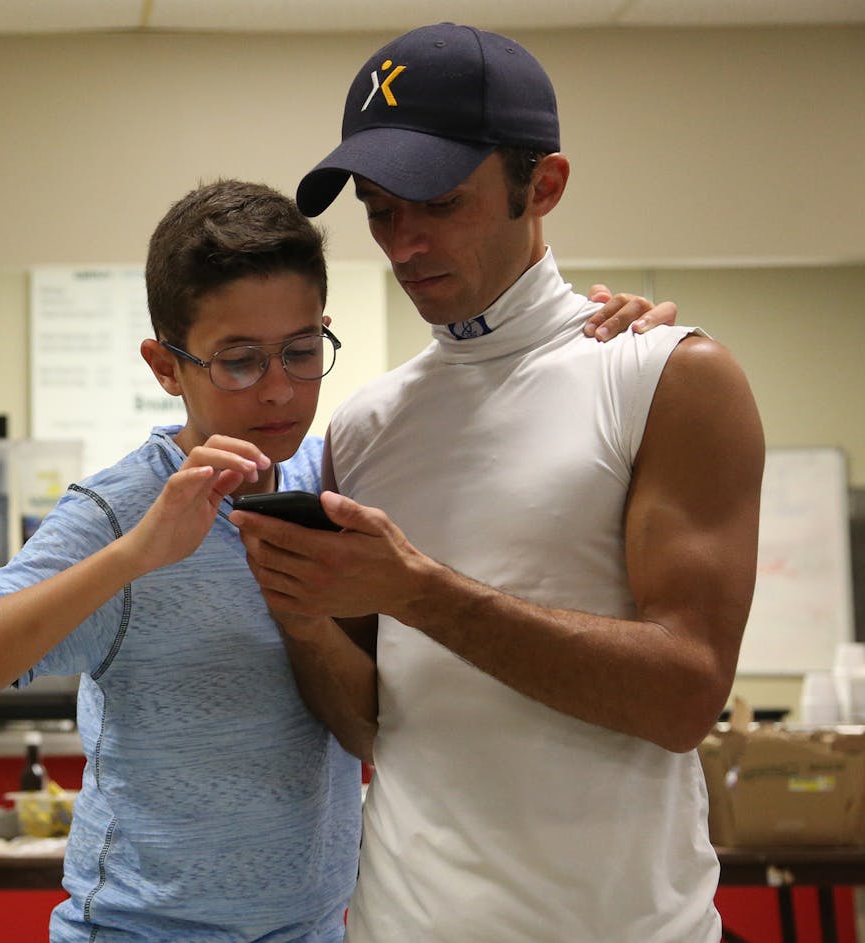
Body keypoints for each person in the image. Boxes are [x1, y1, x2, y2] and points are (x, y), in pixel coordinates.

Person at [0, 180, 670, 941]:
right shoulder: (117, 512)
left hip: (313, 929)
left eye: (302, 352)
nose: (278, 391)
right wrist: (137, 553)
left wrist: (596, 346)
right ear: (165, 366)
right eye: (238, 361)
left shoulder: (329, 480)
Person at [232, 23, 765, 943]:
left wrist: (418, 591)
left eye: (438, 202)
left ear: (543, 185)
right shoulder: (367, 424)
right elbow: (373, 726)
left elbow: (684, 696)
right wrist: (305, 612)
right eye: (379, 210)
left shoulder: (667, 376)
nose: (404, 243)